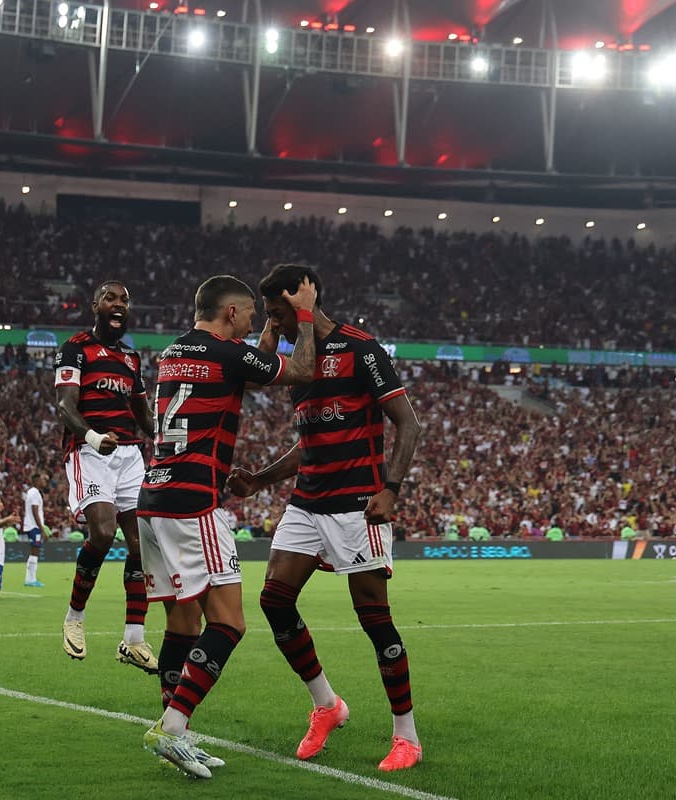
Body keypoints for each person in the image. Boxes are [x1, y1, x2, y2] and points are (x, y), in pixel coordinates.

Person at [227, 264, 424, 772]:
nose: (275, 324)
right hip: (307, 502)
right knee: (274, 599)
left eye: (277, 314)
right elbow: (307, 443)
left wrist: (391, 488)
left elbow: (408, 424)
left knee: (374, 618)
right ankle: (327, 704)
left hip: (358, 503)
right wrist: (261, 480)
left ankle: (407, 735)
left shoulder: (362, 349)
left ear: (303, 304)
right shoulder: (298, 361)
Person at [138, 273, 318, 779]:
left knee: (181, 623)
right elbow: (300, 368)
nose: (258, 324)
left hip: (154, 497)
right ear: (233, 315)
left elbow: (250, 364)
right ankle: (172, 728)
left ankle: (177, 732)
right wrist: (303, 314)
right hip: (194, 502)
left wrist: (261, 344)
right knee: (230, 622)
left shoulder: (176, 351)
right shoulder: (227, 352)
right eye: (253, 317)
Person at [55, 280, 158, 671]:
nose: (119, 304)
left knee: (142, 546)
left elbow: (146, 419)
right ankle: (74, 619)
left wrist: (174, 435)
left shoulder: (132, 360)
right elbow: (65, 407)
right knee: (102, 532)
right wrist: (94, 437)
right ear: (96, 304)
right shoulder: (75, 348)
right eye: (111, 298)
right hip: (90, 451)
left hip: (131, 455)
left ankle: (133, 639)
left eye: (125, 300)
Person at [21, 473, 48, 587]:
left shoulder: (32, 492)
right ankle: (31, 580)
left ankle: (30, 578)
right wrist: (41, 529)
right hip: (34, 526)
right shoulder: (34, 493)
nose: (44, 482)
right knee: (35, 552)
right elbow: (35, 510)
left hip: (32, 525)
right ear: (37, 481)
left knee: (34, 552)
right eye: (43, 479)